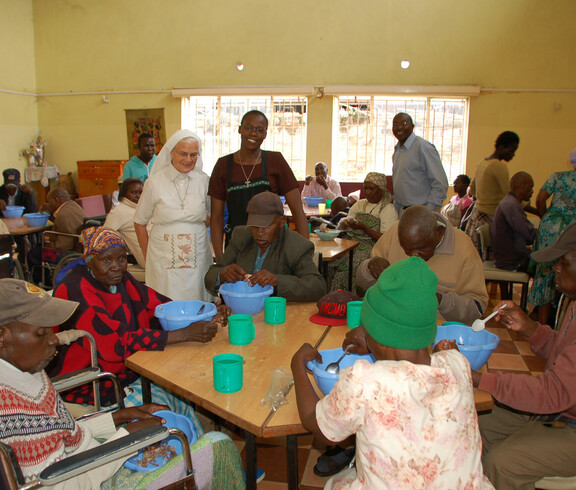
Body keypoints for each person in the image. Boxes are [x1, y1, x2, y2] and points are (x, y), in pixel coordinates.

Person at [0, 278, 245, 489]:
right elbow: (64, 485)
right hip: (96, 480)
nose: (54, 339)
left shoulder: (26, 370)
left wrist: (119, 417)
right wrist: (126, 440)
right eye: (41, 333)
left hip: (87, 456)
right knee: (219, 448)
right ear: (3, 337)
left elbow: (68, 433)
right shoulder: (14, 415)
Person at [291, 257, 493, 489]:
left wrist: (297, 365)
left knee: (336, 484)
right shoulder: (458, 363)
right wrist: (378, 341)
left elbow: (318, 426)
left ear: (375, 335)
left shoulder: (365, 382)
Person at [50, 227, 225, 435]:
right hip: (94, 383)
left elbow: (159, 306)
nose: (116, 267)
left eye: (122, 259)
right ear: (89, 260)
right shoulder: (75, 289)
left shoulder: (120, 279)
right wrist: (184, 334)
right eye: (106, 260)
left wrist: (205, 313)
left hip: (129, 369)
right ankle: (188, 452)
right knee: (164, 411)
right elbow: (114, 344)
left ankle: (198, 446)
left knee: (183, 396)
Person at [474, 221, 576, 489]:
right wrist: (531, 329)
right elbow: (566, 353)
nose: (556, 268)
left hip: (568, 420)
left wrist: (479, 380)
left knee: (502, 463)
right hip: (560, 408)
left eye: (563, 263)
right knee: (476, 422)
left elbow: (553, 391)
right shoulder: (573, 304)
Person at [357, 205, 488, 325]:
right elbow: (362, 283)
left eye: (421, 249)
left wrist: (439, 299)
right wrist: (369, 267)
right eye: (406, 249)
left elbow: (477, 308)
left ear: (438, 232)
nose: (413, 256)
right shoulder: (394, 233)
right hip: (388, 323)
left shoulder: (463, 248)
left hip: (435, 331)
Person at [208, 110, 308, 259]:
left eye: (259, 130)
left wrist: (303, 253)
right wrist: (221, 258)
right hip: (236, 248)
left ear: (265, 134)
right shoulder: (223, 165)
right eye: (248, 128)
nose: (253, 133)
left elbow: (298, 211)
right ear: (240, 129)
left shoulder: (276, 161)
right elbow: (216, 218)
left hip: (273, 250)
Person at [134, 129, 213, 301]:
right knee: (166, 299)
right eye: (183, 154)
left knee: (197, 296)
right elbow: (139, 222)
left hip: (197, 252)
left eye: (193, 154)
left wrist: (188, 229)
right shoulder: (154, 182)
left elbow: (208, 218)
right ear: (171, 153)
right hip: (162, 255)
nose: (188, 159)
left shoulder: (204, 181)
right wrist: (148, 255)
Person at [205, 191, 326, 302]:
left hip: (278, 316)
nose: (259, 233)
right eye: (254, 226)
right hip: (241, 312)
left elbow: (318, 286)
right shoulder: (241, 236)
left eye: (267, 226)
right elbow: (210, 276)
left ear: (281, 221)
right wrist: (223, 273)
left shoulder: (296, 245)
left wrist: (277, 282)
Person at [528, 148, 576, 324]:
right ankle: (562, 323)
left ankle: (541, 323)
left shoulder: (558, 176)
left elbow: (540, 198)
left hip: (551, 226)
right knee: (570, 271)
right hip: (573, 230)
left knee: (546, 271)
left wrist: (546, 216)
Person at [329, 172, 397, 294]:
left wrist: (364, 227)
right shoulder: (360, 204)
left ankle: (346, 299)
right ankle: (329, 297)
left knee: (346, 269)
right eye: (365, 188)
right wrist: (345, 224)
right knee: (329, 263)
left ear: (381, 190)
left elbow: (385, 239)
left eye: (372, 188)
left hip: (370, 246)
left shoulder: (388, 209)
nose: (367, 191)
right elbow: (343, 228)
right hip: (350, 241)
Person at [465, 131, 519, 248]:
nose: (513, 155)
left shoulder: (482, 163)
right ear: (502, 147)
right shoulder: (499, 166)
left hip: (477, 215)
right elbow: (508, 194)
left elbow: (472, 190)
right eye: (511, 151)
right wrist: (526, 205)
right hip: (490, 216)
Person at [391, 112, 448, 213]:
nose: (399, 127)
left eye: (404, 124)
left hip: (421, 211)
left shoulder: (423, 147)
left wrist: (428, 210)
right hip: (403, 210)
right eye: (395, 124)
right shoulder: (398, 149)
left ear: (412, 126)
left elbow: (440, 183)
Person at [491, 171, 537, 271]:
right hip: (511, 260)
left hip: (508, 256)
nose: (532, 191)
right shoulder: (511, 204)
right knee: (548, 264)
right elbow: (526, 232)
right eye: (531, 187)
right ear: (522, 186)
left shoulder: (511, 202)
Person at [104, 177, 145, 268]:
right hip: (147, 256)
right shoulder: (118, 212)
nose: (138, 196)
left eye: (140, 193)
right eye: (134, 192)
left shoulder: (142, 208)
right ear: (124, 193)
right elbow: (105, 236)